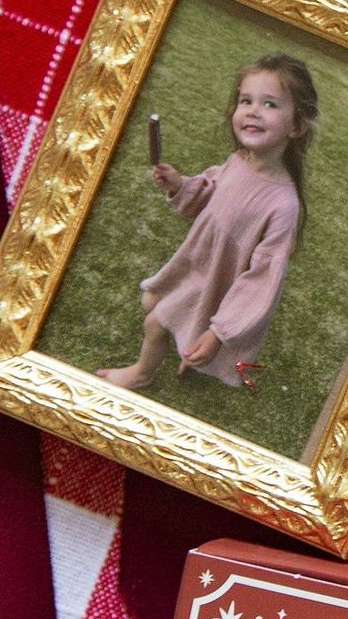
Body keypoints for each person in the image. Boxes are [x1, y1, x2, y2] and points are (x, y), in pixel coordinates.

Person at [98, 55, 317, 395]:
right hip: (196, 265)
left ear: (297, 126)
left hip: (221, 284)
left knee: (156, 321)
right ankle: (188, 342)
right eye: (246, 101)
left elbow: (261, 279)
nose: (253, 111)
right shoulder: (238, 160)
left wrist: (219, 332)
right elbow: (209, 194)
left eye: (270, 104)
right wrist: (178, 185)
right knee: (154, 304)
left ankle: (142, 373)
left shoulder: (282, 205)